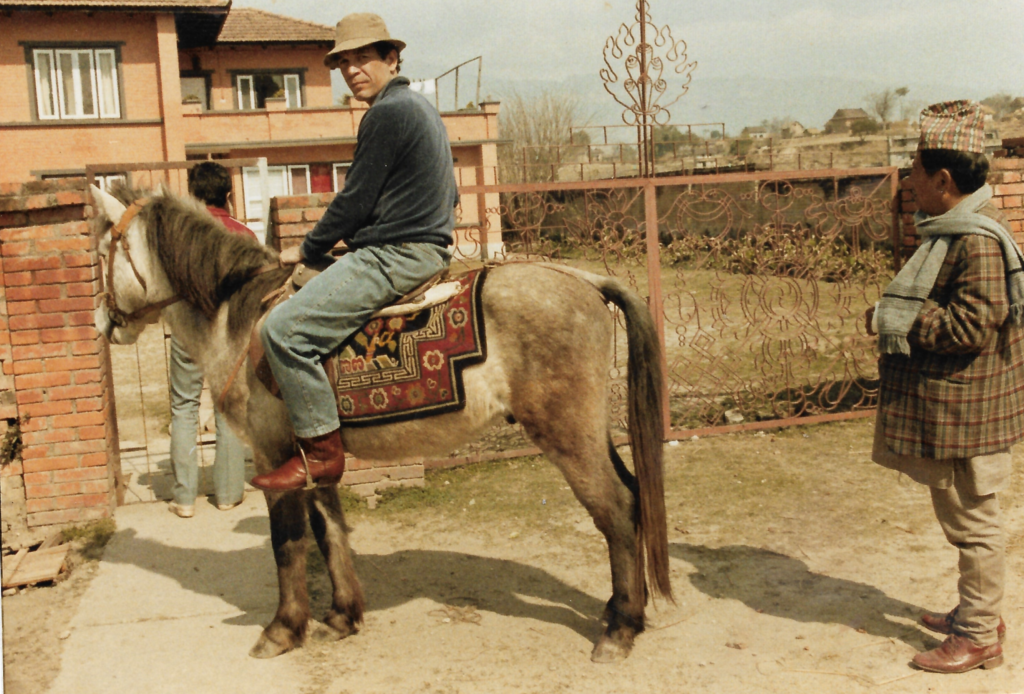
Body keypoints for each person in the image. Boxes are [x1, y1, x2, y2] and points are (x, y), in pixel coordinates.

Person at [250, 13, 457, 491]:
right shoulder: (420, 108)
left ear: (391, 58)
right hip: (423, 246)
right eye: (344, 62)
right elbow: (447, 196)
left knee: (283, 330)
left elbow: (354, 200)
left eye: (363, 58)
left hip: (397, 254)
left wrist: (307, 248)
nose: (352, 70)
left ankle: (321, 454)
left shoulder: (386, 113)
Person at [868, 100, 1024, 673]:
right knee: (965, 516)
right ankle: (977, 612)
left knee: (972, 521)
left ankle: (980, 635)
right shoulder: (956, 230)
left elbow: (969, 325)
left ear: (942, 180)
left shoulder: (975, 240)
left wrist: (895, 317)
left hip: (968, 412)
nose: (907, 182)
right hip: (961, 407)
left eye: (912, 171)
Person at [167, 162, 256, 517]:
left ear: (193, 194)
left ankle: (184, 498)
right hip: (227, 332)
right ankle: (229, 492)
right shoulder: (243, 235)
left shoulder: (179, 237)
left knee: (184, 407)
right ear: (228, 196)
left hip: (188, 329)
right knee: (229, 407)